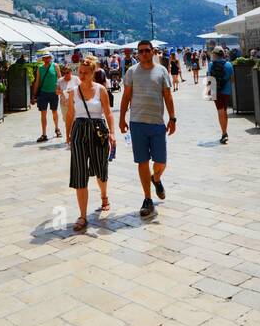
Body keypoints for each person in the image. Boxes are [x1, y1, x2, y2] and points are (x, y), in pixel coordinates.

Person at [119, 39, 176, 218]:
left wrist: (172, 118)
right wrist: (121, 118)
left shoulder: (162, 71)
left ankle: (156, 178)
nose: (143, 54)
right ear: (137, 53)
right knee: (142, 162)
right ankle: (147, 199)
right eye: (140, 51)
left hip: (157, 123)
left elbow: (168, 96)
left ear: (153, 52)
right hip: (137, 123)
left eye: (146, 50)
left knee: (161, 162)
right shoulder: (131, 72)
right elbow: (126, 96)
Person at [68, 56, 116, 232]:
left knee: (100, 168)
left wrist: (112, 132)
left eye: (85, 73)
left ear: (93, 72)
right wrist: (68, 134)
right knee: (80, 171)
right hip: (79, 131)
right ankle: (82, 215)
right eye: (79, 72)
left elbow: (108, 113)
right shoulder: (73, 91)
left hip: (98, 130)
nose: (81, 75)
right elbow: (71, 114)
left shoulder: (101, 90)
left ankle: (104, 195)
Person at [32, 48, 62, 141]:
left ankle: (57, 129)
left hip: (53, 93)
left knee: (54, 112)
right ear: (42, 59)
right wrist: (33, 95)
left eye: (48, 57)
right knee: (43, 113)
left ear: (50, 58)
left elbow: (60, 79)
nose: (46, 59)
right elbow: (37, 82)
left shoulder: (55, 66)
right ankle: (44, 134)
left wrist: (60, 90)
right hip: (43, 93)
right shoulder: (40, 68)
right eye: (45, 58)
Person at [208, 46, 234, 144]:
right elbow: (232, 80)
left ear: (215, 54)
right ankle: (225, 132)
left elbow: (210, 78)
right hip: (226, 91)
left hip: (215, 90)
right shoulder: (228, 64)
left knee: (220, 112)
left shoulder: (211, 64)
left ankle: (224, 133)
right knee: (224, 111)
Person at [58, 64, 76, 141]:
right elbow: (56, 92)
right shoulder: (60, 80)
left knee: (75, 120)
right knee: (67, 120)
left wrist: (72, 92)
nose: (66, 74)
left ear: (71, 72)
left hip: (74, 103)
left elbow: (81, 89)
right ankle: (68, 136)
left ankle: (73, 135)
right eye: (64, 73)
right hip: (64, 103)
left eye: (68, 72)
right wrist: (62, 91)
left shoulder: (76, 79)